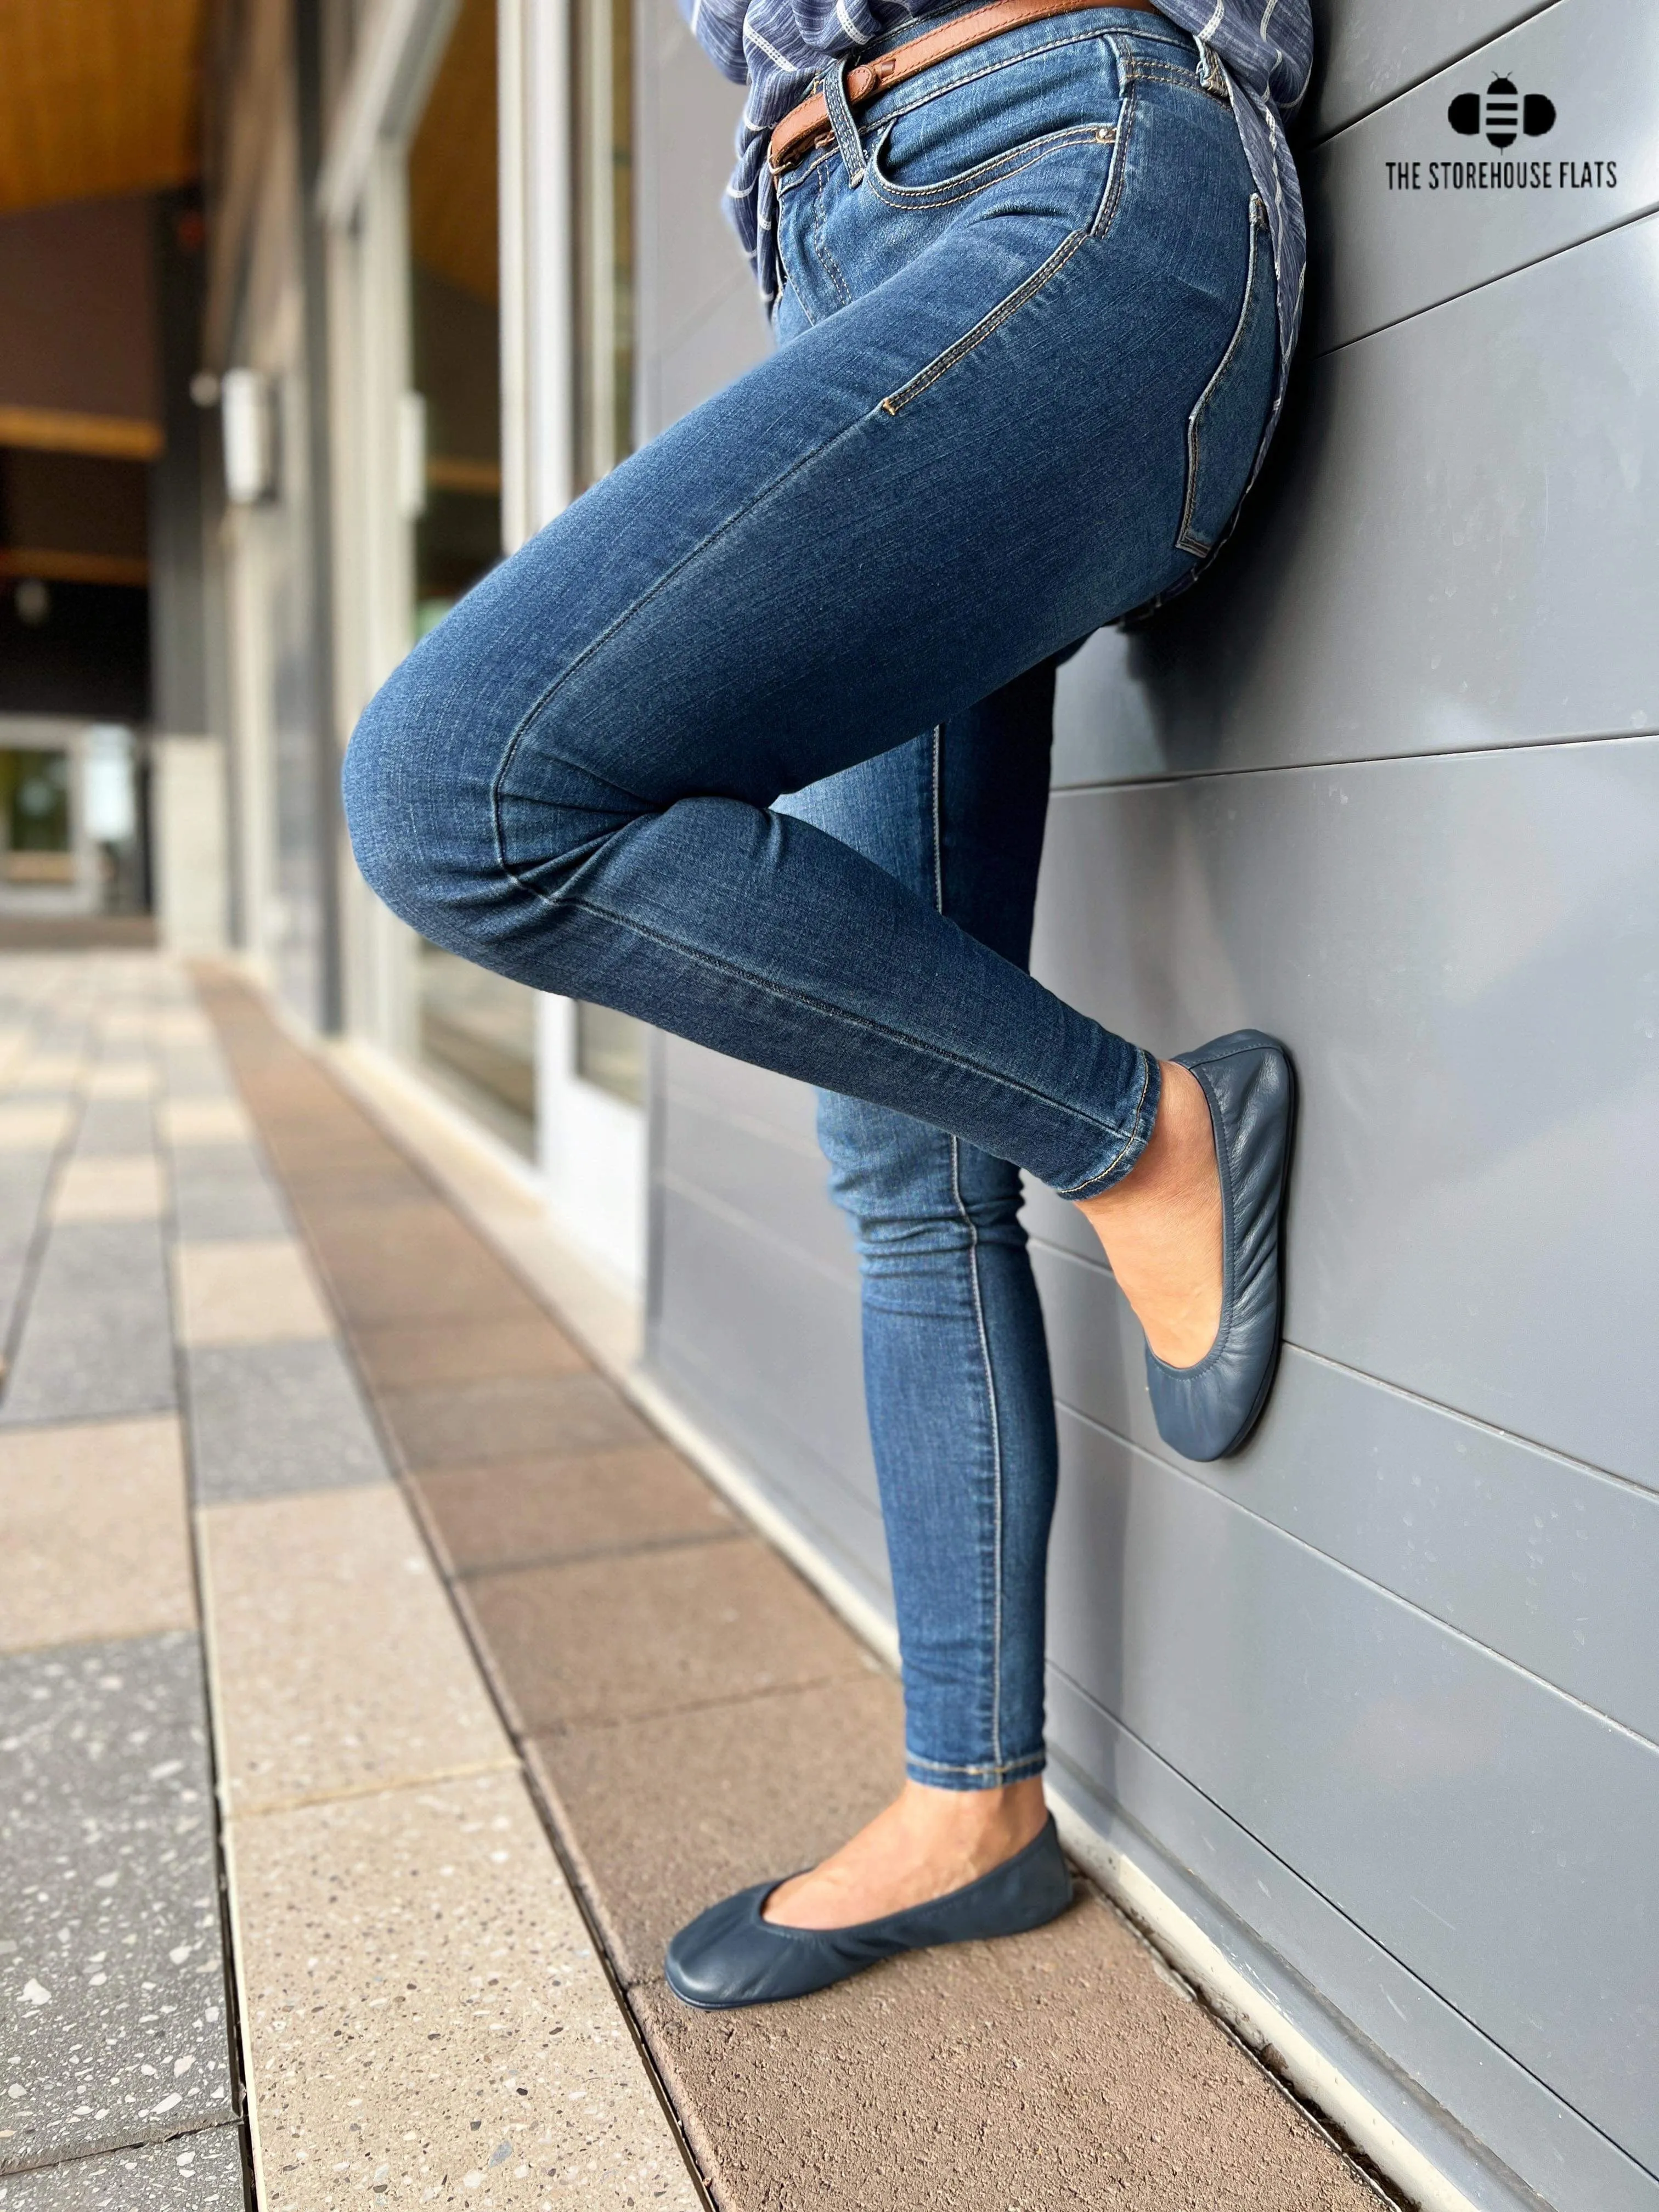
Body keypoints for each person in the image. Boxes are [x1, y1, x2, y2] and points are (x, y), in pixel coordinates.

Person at [344, 0, 1311, 2011]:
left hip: (1080, 162)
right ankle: (977, 1808)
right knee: (898, 1145)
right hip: (833, 233)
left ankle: (1143, 1131)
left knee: (459, 789)